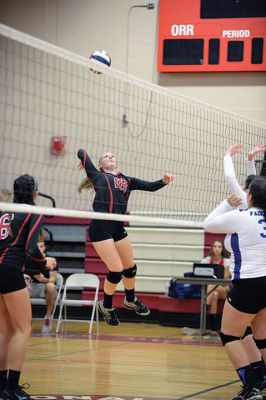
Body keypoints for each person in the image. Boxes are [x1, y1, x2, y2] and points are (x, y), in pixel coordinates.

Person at [77, 149, 175, 326]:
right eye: (106, 156)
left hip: (118, 226)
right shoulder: (97, 176)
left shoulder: (127, 181)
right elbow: (81, 152)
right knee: (116, 271)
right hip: (100, 227)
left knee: (130, 268)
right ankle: (106, 306)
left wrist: (164, 181)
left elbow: (150, 186)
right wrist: (84, 161)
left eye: (112, 155)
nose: (110, 157)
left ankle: (130, 300)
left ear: (117, 163)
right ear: (100, 165)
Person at [203, 177, 266, 400]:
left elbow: (208, 224)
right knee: (262, 337)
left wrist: (226, 204)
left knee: (229, 335)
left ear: (249, 196)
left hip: (248, 284)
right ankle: (259, 380)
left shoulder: (242, 217)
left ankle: (251, 388)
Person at [0, 175, 56, 400]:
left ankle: (1, 387)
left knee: (5, 330)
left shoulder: (4, 210)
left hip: (2, 267)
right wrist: (45, 264)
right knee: (23, 330)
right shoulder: (33, 210)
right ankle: (12, 389)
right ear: (35, 193)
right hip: (11, 269)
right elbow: (32, 248)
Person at [224, 144, 266, 386]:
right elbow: (257, 184)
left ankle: (252, 379)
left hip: (246, 278)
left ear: (248, 193)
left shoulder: (242, 207)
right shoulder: (259, 208)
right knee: (252, 332)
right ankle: (258, 370)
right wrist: (250, 160)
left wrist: (228, 156)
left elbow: (232, 178)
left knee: (232, 332)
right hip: (256, 276)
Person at [26, 229, 58, 334]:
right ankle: (26, 320)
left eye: (41, 246)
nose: (39, 249)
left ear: (44, 247)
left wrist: (45, 280)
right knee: (21, 286)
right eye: (37, 247)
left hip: (42, 288)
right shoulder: (27, 259)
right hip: (29, 286)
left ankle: (48, 317)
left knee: (51, 286)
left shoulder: (51, 260)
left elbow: (53, 279)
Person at [201, 239, 231, 331]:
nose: (217, 249)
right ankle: (214, 325)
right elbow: (199, 273)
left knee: (211, 284)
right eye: (215, 246)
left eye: (219, 247)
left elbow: (225, 279)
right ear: (212, 248)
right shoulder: (207, 260)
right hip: (211, 290)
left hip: (224, 288)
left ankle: (205, 307)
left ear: (222, 249)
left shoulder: (226, 261)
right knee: (214, 294)